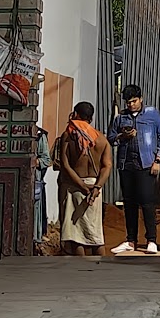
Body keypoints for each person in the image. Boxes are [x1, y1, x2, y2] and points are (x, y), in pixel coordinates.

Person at [109, 83, 160, 254]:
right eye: (128, 102)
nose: (131, 105)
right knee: (129, 203)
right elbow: (111, 137)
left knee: (147, 202)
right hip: (126, 165)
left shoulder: (152, 114)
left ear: (141, 99)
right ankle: (131, 240)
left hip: (146, 164)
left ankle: (151, 240)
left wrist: (158, 159)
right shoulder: (120, 118)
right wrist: (123, 136)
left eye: (134, 101)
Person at [54, 100, 111, 257]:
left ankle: (79, 269)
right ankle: (100, 268)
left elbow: (65, 164)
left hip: (73, 186)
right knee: (95, 235)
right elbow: (107, 166)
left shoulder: (69, 135)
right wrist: (96, 188)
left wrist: (81, 185)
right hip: (94, 188)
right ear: (90, 118)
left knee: (75, 236)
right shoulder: (101, 139)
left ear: (75, 114)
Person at [33, 122, 52, 251]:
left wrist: (35, 162)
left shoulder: (39, 135)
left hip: (34, 182)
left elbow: (46, 160)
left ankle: (35, 240)